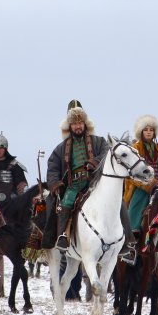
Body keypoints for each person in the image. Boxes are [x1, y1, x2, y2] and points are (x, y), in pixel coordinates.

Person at [45, 100, 137, 263]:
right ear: (70, 126)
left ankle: (127, 243)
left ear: (85, 123)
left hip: (95, 182)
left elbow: (108, 153)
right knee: (65, 203)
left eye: (80, 122)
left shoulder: (99, 141)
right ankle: (63, 237)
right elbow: (52, 167)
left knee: (119, 203)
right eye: (74, 123)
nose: (78, 126)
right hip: (74, 185)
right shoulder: (61, 147)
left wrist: (94, 162)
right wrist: (56, 184)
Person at [123, 115, 158, 239]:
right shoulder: (135, 149)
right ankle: (133, 231)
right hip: (142, 186)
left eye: (151, 130)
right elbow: (131, 174)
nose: (149, 132)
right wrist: (149, 185)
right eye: (146, 130)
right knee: (139, 199)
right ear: (141, 132)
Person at [0, 133, 28, 208]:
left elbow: (22, 185)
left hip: (11, 203)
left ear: (5, 149)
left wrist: (22, 199)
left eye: (1, 148)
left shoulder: (14, 165)